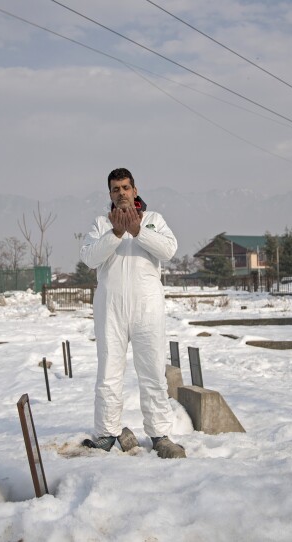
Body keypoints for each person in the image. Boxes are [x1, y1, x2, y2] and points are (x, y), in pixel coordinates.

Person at [79, 167, 186, 459]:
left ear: (135, 190)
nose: (122, 193)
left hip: (147, 308)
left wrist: (137, 231)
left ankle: (160, 434)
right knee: (109, 371)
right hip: (110, 308)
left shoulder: (154, 221)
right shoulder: (102, 224)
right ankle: (106, 433)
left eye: (126, 187)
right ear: (110, 194)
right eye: (116, 189)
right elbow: (89, 257)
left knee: (152, 371)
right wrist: (116, 232)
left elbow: (168, 250)